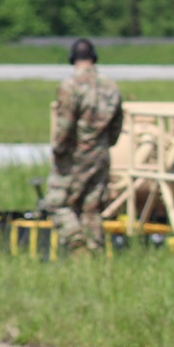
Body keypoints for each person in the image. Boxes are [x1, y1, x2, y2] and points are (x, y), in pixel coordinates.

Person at [45, 38, 123, 257]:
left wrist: (59, 150)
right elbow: (117, 124)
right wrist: (104, 145)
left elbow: (65, 125)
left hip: (76, 155)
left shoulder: (70, 86)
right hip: (100, 155)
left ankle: (77, 244)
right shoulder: (111, 86)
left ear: (73, 59)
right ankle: (94, 250)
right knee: (92, 207)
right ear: (94, 57)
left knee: (57, 203)